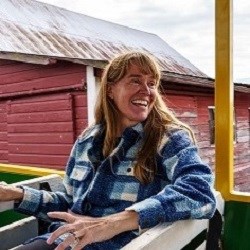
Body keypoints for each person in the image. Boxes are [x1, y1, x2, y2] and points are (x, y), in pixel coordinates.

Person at [0, 51, 216, 250]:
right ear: (110, 90)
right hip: (66, 240)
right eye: (135, 80)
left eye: (152, 83)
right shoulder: (87, 140)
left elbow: (199, 191)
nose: (147, 90)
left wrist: (113, 223)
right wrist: (17, 194)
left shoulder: (168, 138)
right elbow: (70, 203)